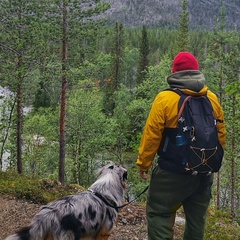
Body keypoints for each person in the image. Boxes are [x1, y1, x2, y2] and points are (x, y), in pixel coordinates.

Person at [136, 52, 226, 240]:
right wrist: (211, 162)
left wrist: (143, 164)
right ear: (196, 70)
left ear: (174, 72)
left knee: (159, 214)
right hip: (203, 172)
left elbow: (152, 135)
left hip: (172, 172)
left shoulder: (165, 99)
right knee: (196, 220)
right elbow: (221, 135)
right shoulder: (212, 98)